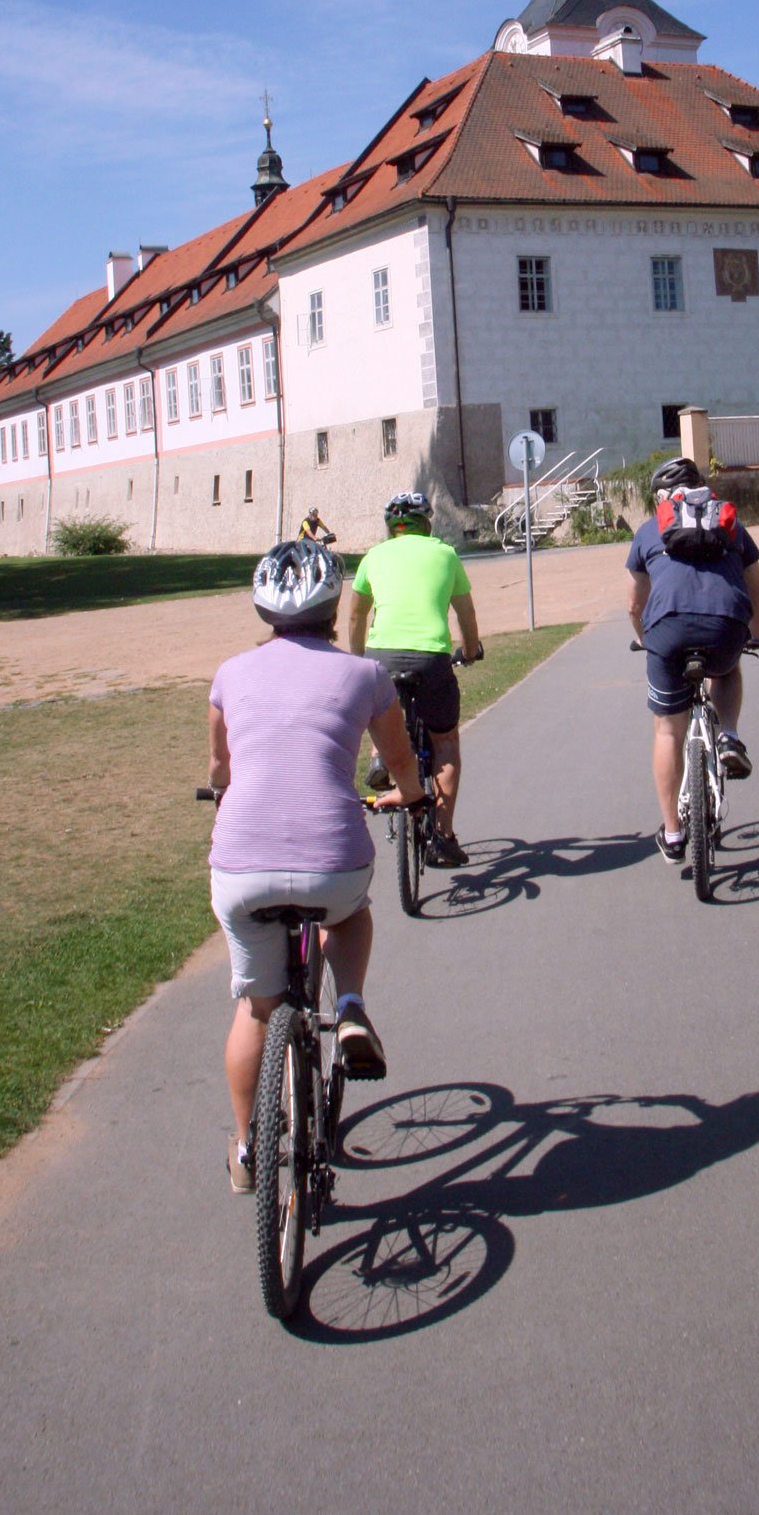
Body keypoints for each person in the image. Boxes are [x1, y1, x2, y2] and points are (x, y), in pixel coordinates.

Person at [207, 539, 426, 1195]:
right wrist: (411, 795)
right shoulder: (364, 676)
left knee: (256, 1008)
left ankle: (248, 1151)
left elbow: (221, 771)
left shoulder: (229, 675)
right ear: (334, 606)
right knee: (350, 912)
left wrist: (226, 796)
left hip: (242, 866)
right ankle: (351, 1005)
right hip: (332, 858)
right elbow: (399, 759)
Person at [626, 456, 759, 863]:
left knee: (668, 732)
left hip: (667, 632)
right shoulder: (729, 523)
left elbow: (634, 604)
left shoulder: (648, 529)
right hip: (725, 625)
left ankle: (673, 835)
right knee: (728, 667)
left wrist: (644, 640)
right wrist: (756, 635)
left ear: (660, 496)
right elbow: (757, 588)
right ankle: (729, 734)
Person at [349, 490, 483, 868]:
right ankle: (443, 837)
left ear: (392, 528)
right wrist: (470, 651)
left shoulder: (373, 556)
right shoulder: (444, 553)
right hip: (430, 659)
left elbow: (357, 615)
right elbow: (466, 613)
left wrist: (358, 657)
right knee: (446, 744)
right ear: (428, 524)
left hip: (380, 658)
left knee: (383, 713)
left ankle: (379, 757)